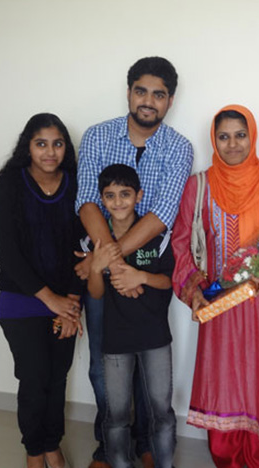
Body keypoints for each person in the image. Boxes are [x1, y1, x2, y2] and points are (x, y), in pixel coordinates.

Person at [75, 56, 193, 468]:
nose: (148, 101)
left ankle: (146, 445)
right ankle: (108, 449)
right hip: (103, 273)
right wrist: (106, 266)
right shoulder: (97, 135)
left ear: (170, 101)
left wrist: (116, 263)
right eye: (141, 91)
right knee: (103, 367)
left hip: (147, 269)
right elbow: (87, 200)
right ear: (129, 92)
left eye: (158, 95)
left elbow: (161, 213)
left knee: (149, 366)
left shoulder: (179, 147)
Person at [171, 105, 259, 468]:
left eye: (240, 135)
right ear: (214, 140)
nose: (232, 145)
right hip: (219, 304)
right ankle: (226, 456)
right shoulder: (199, 185)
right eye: (223, 137)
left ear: (252, 137)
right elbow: (181, 242)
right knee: (223, 377)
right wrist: (195, 289)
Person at [0, 113, 85, 468]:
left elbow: (83, 246)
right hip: (21, 300)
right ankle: (33, 451)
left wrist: (71, 302)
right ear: (27, 146)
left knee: (57, 378)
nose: (50, 152)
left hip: (67, 300)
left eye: (57, 143)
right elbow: (8, 253)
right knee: (34, 378)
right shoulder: (8, 186)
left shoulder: (75, 185)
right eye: (41, 143)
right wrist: (52, 300)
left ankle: (51, 445)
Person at [87, 163, 176, 468]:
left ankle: (165, 462)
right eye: (110, 196)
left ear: (139, 196)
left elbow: (168, 281)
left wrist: (140, 276)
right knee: (117, 414)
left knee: (161, 410)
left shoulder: (157, 236)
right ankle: (119, 462)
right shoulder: (96, 242)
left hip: (155, 337)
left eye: (125, 194)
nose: (118, 202)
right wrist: (96, 267)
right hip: (115, 341)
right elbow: (96, 293)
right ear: (102, 200)